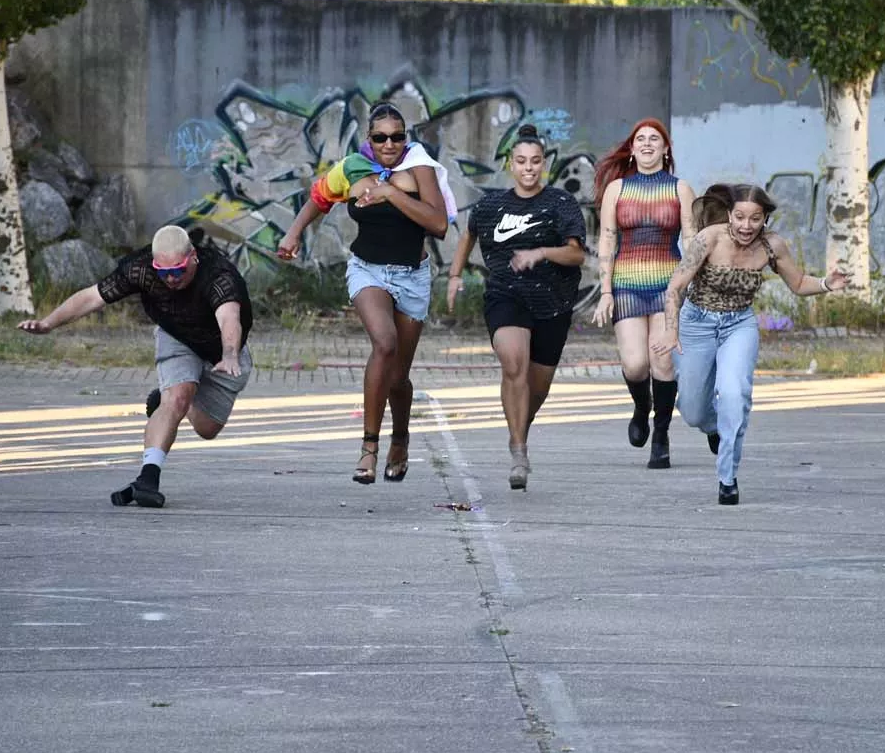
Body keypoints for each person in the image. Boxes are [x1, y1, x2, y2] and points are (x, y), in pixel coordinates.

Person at [20, 225, 253, 507]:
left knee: (207, 429)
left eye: (177, 271)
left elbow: (229, 318)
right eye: (163, 272)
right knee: (177, 397)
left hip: (221, 351)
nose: (170, 279)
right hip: (176, 337)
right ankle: (148, 476)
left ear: (193, 257)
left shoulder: (219, 276)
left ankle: (170, 401)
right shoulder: (141, 269)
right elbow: (92, 297)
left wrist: (229, 354)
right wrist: (48, 323)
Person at [277, 104, 449, 483]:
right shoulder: (352, 168)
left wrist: (390, 192)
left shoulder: (420, 167)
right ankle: (369, 447)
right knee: (384, 344)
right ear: (368, 139)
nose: (390, 144)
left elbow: (438, 224)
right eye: (380, 137)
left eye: (398, 136)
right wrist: (292, 234)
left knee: (398, 378)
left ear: (407, 137)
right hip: (367, 270)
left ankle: (400, 439)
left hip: (412, 277)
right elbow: (319, 199)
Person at [653, 184, 846, 505]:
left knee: (735, 394)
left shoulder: (772, 247)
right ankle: (715, 426)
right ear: (729, 214)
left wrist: (827, 283)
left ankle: (727, 477)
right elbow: (674, 289)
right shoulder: (709, 239)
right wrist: (671, 331)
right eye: (739, 217)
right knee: (692, 410)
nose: (746, 226)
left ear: (764, 219)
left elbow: (798, 284)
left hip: (738, 325)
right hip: (696, 323)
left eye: (754, 218)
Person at [446, 124, 586, 490]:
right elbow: (468, 234)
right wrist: (454, 276)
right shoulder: (492, 205)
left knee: (535, 389)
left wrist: (541, 252)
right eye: (521, 161)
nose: (528, 168)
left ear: (544, 165)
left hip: (553, 303)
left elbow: (576, 254)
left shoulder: (560, 203)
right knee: (513, 362)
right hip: (506, 296)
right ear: (511, 164)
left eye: (535, 162)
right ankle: (519, 450)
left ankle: (518, 430)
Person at [590, 118, 696, 469]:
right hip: (627, 285)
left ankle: (661, 435)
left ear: (666, 150)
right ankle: (641, 406)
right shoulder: (617, 189)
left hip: (669, 285)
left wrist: (691, 285)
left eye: (655, 139)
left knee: (662, 361)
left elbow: (693, 243)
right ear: (632, 149)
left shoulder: (680, 188)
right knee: (635, 364)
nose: (648, 144)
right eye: (641, 139)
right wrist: (605, 292)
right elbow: (607, 238)